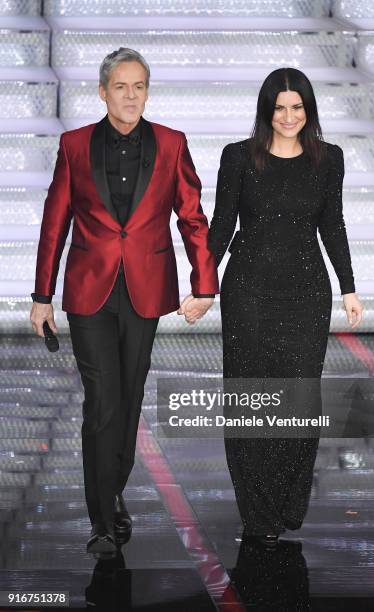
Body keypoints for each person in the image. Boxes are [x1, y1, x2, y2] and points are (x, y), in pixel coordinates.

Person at [30, 47, 219, 557]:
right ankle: (101, 524)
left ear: (147, 91)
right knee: (102, 403)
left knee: (130, 400)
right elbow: (55, 224)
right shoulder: (73, 145)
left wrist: (205, 284)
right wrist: (41, 296)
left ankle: (112, 488)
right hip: (89, 290)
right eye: (120, 86)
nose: (130, 95)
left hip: (145, 287)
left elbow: (192, 216)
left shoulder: (172, 143)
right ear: (102, 91)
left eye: (139, 86)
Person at [208, 67, 364, 547]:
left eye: (297, 107)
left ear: (309, 110)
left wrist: (349, 287)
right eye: (280, 107)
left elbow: (332, 225)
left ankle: (285, 502)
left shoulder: (328, 160)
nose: (289, 116)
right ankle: (257, 513)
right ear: (266, 110)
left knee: (298, 402)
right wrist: (200, 284)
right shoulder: (238, 157)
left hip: (306, 295)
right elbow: (220, 226)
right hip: (248, 293)